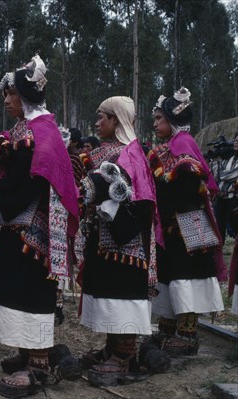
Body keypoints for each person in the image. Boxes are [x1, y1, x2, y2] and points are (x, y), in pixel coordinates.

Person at [0, 55, 80, 398]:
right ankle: (27, 352)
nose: (6, 101)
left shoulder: (40, 132)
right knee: (16, 286)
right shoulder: (31, 129)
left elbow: (28, 183)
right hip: (19, 226)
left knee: (30, 290)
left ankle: (39, 362)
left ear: (23, 95)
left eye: (10, 94)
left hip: (34, 232)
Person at [79, 96, 163, 386]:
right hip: (104, 238)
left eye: (103, 116)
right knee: (108, 290)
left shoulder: (131, 153)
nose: (97, 122)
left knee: (123, 292)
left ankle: (126, 355)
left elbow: (139, 198)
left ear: (116, 120)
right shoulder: (106, 152)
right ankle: (112, 348)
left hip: (126, 243)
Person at [149, 87, 224, 355]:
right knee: (170, 275)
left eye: (159, 118)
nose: (155, 123)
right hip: (173, 224)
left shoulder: (182, 144)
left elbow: (190, 184)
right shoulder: (169, 146)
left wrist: (163, 199)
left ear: (172, 119)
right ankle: (167, 329)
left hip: (188, 224)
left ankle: (187, 334)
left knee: (187, 276)